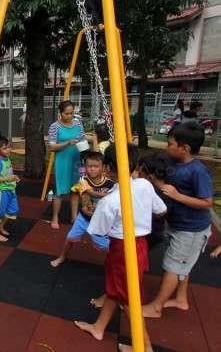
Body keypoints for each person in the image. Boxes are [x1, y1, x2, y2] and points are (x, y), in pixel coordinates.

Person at [75, 144, 166, 352]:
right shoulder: (144, 184)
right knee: (116, 290)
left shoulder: (110, 201)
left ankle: (145, 347)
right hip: (141, 245)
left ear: (106, 168)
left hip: (122, 250)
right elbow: (161, 210)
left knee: (128, 300)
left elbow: (97, 230)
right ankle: (99, 327)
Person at [143, 122, 213, 319]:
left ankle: (157, 307)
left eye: (170, 144)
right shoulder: (175, 163)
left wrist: (176, 195)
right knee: (182, 264)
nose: (167, 147)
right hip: (177, 224)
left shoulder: (198, 171)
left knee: (173, 265)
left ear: (185, 149)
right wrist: (157, 183)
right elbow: (168, 185)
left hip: (192, 230)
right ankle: (181, 299)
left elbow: (207, 202)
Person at [50, 151, 114, 267]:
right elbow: (90, 193)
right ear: (85, 167)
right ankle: (62, 256)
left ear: (103, 167)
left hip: (99, 221)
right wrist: (74, 215)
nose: (92, 169)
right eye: (89, 166)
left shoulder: (110, 183)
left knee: (107, 245)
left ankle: (112, 261)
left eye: (96, 166)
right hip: (83, 217)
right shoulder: (83, 181)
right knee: (70, 238)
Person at [48, 100, 85, 230]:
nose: (69, 116)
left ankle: (74, 217)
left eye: (71, 113)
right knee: (60, 190)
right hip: (62, 162)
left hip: (77, 161)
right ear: (61, 113)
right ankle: (55, 217)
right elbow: (52, 147)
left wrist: (86, 144)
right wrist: (67, 143)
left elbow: (83, 140)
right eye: (67, 114)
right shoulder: (55, 126)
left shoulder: (78, 123)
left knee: (75, 190)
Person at [0, 136, 20, 242]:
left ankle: (0, 227)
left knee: (13, 210)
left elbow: (7, 173)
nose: (8, 150)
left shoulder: (7, 159)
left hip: (10, 189)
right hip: (2, 190)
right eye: (5, 148)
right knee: (0, 212)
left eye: (8, 147)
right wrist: (9, 178)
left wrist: (13, 177)